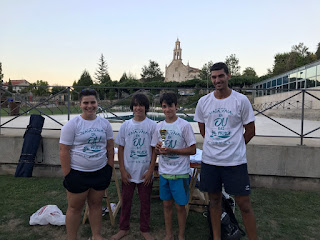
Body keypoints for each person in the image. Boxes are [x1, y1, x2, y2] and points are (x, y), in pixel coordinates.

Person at [194, 62, 257, 240]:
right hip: (211, 161)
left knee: (244, 204)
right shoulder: (203, 102)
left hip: (235, 162)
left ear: (228, 76)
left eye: (221, 76)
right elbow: (203, 129)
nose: (217, 80)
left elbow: (250, 130)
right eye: (214, 77)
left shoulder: (241, 100)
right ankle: (217, 237)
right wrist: (217, 144)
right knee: (214, 202)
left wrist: (235, 145)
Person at [60, 89, 114, 240]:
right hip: (78, 174)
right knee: (74, 208)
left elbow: (110, 147)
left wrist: (108, 169)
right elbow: (64, 150)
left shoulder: (105, 124)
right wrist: (68, 175)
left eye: (92, 102)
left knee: (96, 205)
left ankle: (96, 235)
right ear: (80, 104)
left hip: (100, 172)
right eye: (86, 103)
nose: (89, 106)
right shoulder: (72, 125)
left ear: (98, 103)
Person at [111, 93, 157, 240]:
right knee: (126, 201)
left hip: (144, 172)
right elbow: (121, 148)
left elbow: (154, 149)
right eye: (136, 105)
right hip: (129, 172)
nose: (138, 108)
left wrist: (151, 170)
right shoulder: (126, 125)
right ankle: (123, 228)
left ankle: (145, 229)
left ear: (146, 107)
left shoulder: (152, 126)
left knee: (145, 203)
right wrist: (122, 170)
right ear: (132, 107)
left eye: (141, 105)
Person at [151, 92, 196, 240]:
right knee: (166, 205)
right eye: (164, 106)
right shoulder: (159, 126)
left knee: (180, 206)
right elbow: (157, 148)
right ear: (161, 108)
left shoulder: (184, 126)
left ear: (176, 106)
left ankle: (181, 235)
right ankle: (169, 235)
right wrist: (158, 148)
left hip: (180, 172)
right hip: (164, 172)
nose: (167, 109)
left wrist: (172, 151)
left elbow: (192, 149)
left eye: (170, 106)